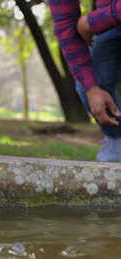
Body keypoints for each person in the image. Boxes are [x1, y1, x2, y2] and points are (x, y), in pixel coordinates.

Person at [48, 0, 121, 162]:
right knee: (90, 82)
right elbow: (65, 23)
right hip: (110, 21)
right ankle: (116, 142)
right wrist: (91, 88)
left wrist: (90, 22)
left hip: (106, 17)